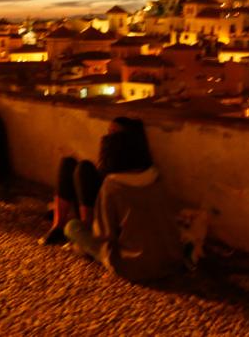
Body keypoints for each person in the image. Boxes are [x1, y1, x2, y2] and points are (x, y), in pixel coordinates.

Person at [44, 117, 184, 283]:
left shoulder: (114, 186)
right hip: (170, 260)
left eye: (113, 135)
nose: (108, 138)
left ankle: (71, 233)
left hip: (132, 265)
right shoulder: (156, 177)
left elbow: (104, 235)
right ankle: (59, 224)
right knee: (73, 166)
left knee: (72, 227)